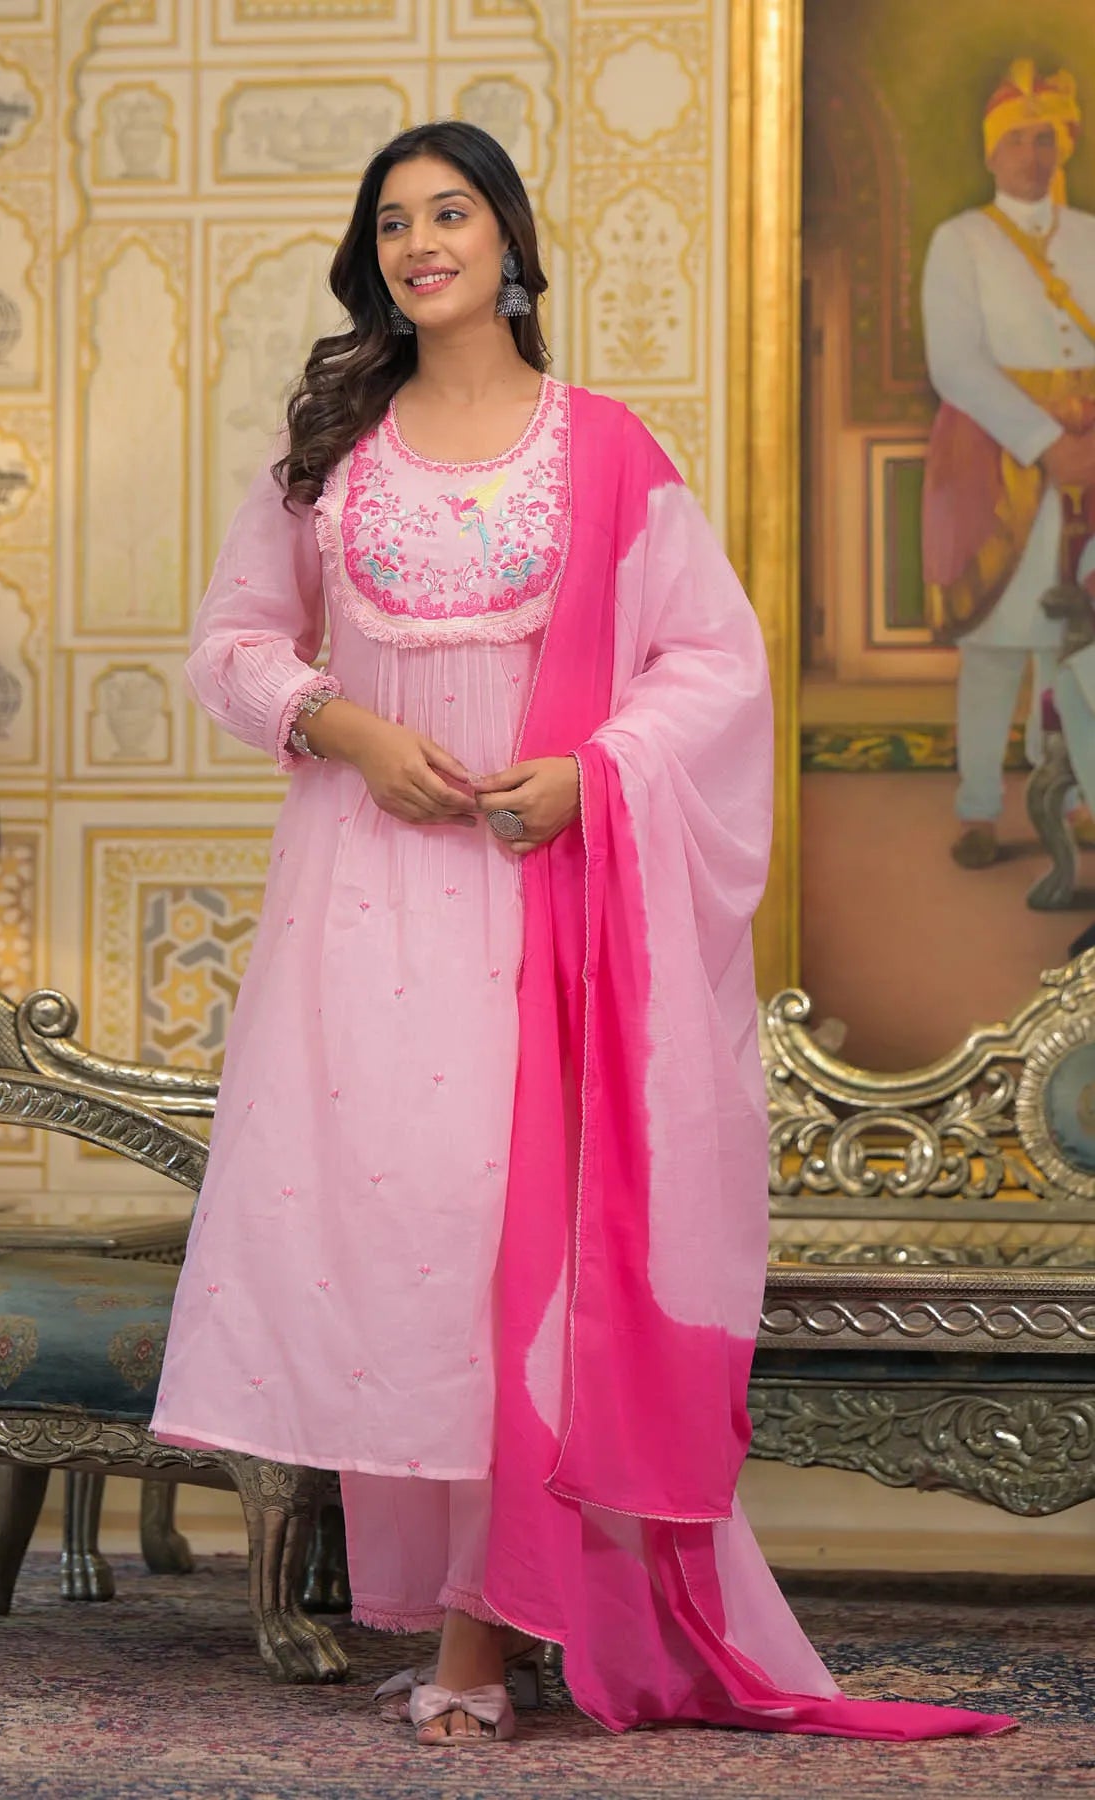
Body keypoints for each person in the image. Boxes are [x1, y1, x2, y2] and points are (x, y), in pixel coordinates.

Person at [151, 121, 1012, 1745]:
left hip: (544, 900)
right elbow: (230, 643)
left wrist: (587, 775)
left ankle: (482, 1641)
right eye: (392, 221)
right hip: (362, 905)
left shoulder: (603, 449)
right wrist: (343, 727)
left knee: (520, 1259)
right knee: (412, 1259)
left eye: (449, 212)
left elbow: (713, 665)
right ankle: (472, 1602)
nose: (420, 243)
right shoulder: (331, 453)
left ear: (507, 240)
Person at [921, 59, 1095, 870]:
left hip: (1090, 458)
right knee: (993, 645)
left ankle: (1084, 797)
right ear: (992, 152)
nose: (1033, 154)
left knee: (1078, 644)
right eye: (1018, 140)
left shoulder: (1090, 235)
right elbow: (955, 363)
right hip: (996, 460)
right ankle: (980, 807)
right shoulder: (960, 242)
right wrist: (1046, 442)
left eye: (1045, 138)